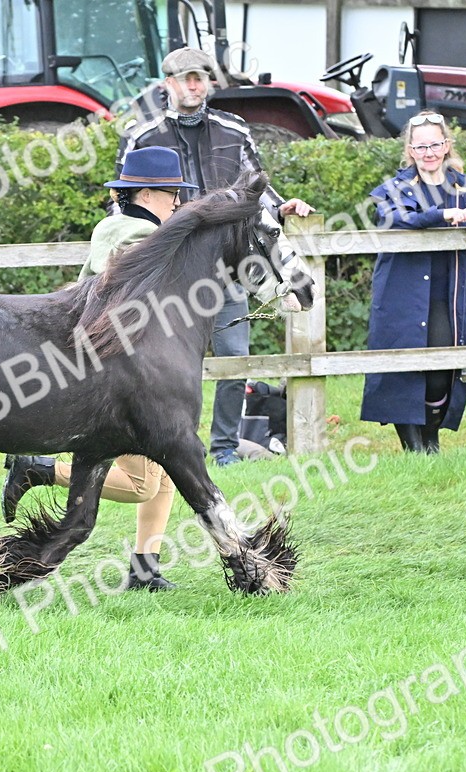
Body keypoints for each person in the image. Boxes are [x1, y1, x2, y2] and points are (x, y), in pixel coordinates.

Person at [1, 146, 196, 590]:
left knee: (165, 467)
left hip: (105, 362)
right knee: (143, 483)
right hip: (123, 374)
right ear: (146, 192)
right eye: (172, 194)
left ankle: (145, 568)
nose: (178, 203)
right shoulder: (140, 238)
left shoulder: (114, 226)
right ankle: (38, 469)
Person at [117, 46, 315, 467]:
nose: (194, 85)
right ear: (168, 84)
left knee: (234, 361)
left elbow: (256, 191)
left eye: (201, 77)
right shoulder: (143, 135)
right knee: (159, 365)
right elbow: (123, 203)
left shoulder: (234, 130)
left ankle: (223, 449)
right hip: (168, 276)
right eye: (186, 78)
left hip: (227, 273)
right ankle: (169, 445)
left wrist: (283, 208)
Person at [360, 111, 466, 454]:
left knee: (443, 369)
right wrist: (440, 216)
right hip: (402, 295)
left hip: (447, 296)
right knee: (404, 368)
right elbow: (393, 218)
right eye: (421, 146)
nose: (428, 152)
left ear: (447, 146)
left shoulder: (463, 185)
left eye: (435, 144)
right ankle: (415, 451)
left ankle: (431, 442)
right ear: (410, 150)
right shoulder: (396, 189)